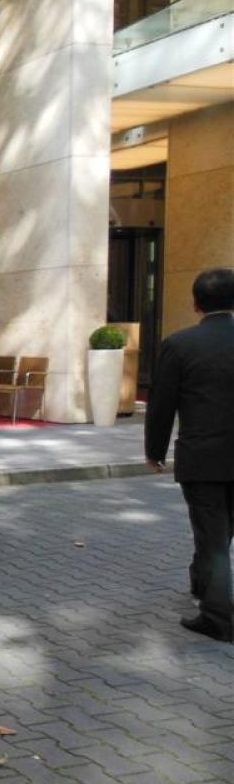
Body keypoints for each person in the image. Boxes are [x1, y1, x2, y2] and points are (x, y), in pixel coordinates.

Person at [145, 267, 234, 642]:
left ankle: (217, 618)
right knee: (219, 533)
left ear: (196, 303)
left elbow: (162, 405)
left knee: (212, 535)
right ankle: (203, 584)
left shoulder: (180, 345)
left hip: (203, 458)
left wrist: (155, 451)